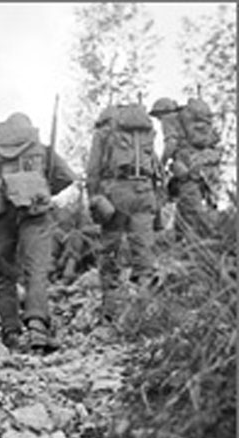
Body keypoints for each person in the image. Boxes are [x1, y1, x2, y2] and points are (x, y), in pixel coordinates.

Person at [0, 112, 76, 351]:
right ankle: (38, 327)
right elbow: (67, 176)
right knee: (36, 270)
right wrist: (44, 188)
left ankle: (10, 331)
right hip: (35, 213)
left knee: (4, 275)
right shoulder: (41, 150)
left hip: (0, 217)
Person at [86, 103, 160, 329]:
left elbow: (93, 170)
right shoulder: (146, 133)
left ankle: (110, 314)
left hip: (116, 193)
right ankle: (145, 313)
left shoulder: (104, 134)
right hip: (145, 191)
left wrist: (94, 198)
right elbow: (156, 169)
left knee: (110, 251)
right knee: (144, 253)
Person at [149, 97, 220, 241]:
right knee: (189, 203)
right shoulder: (190, 123)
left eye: (157, 116)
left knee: (190, 206)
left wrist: (161, 165)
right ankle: (180, 239)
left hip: (188, 164)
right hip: (206, 162)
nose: (158, 120)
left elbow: (171, 143)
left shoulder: (169, 119)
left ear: (161, 112)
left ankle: (209, 237)